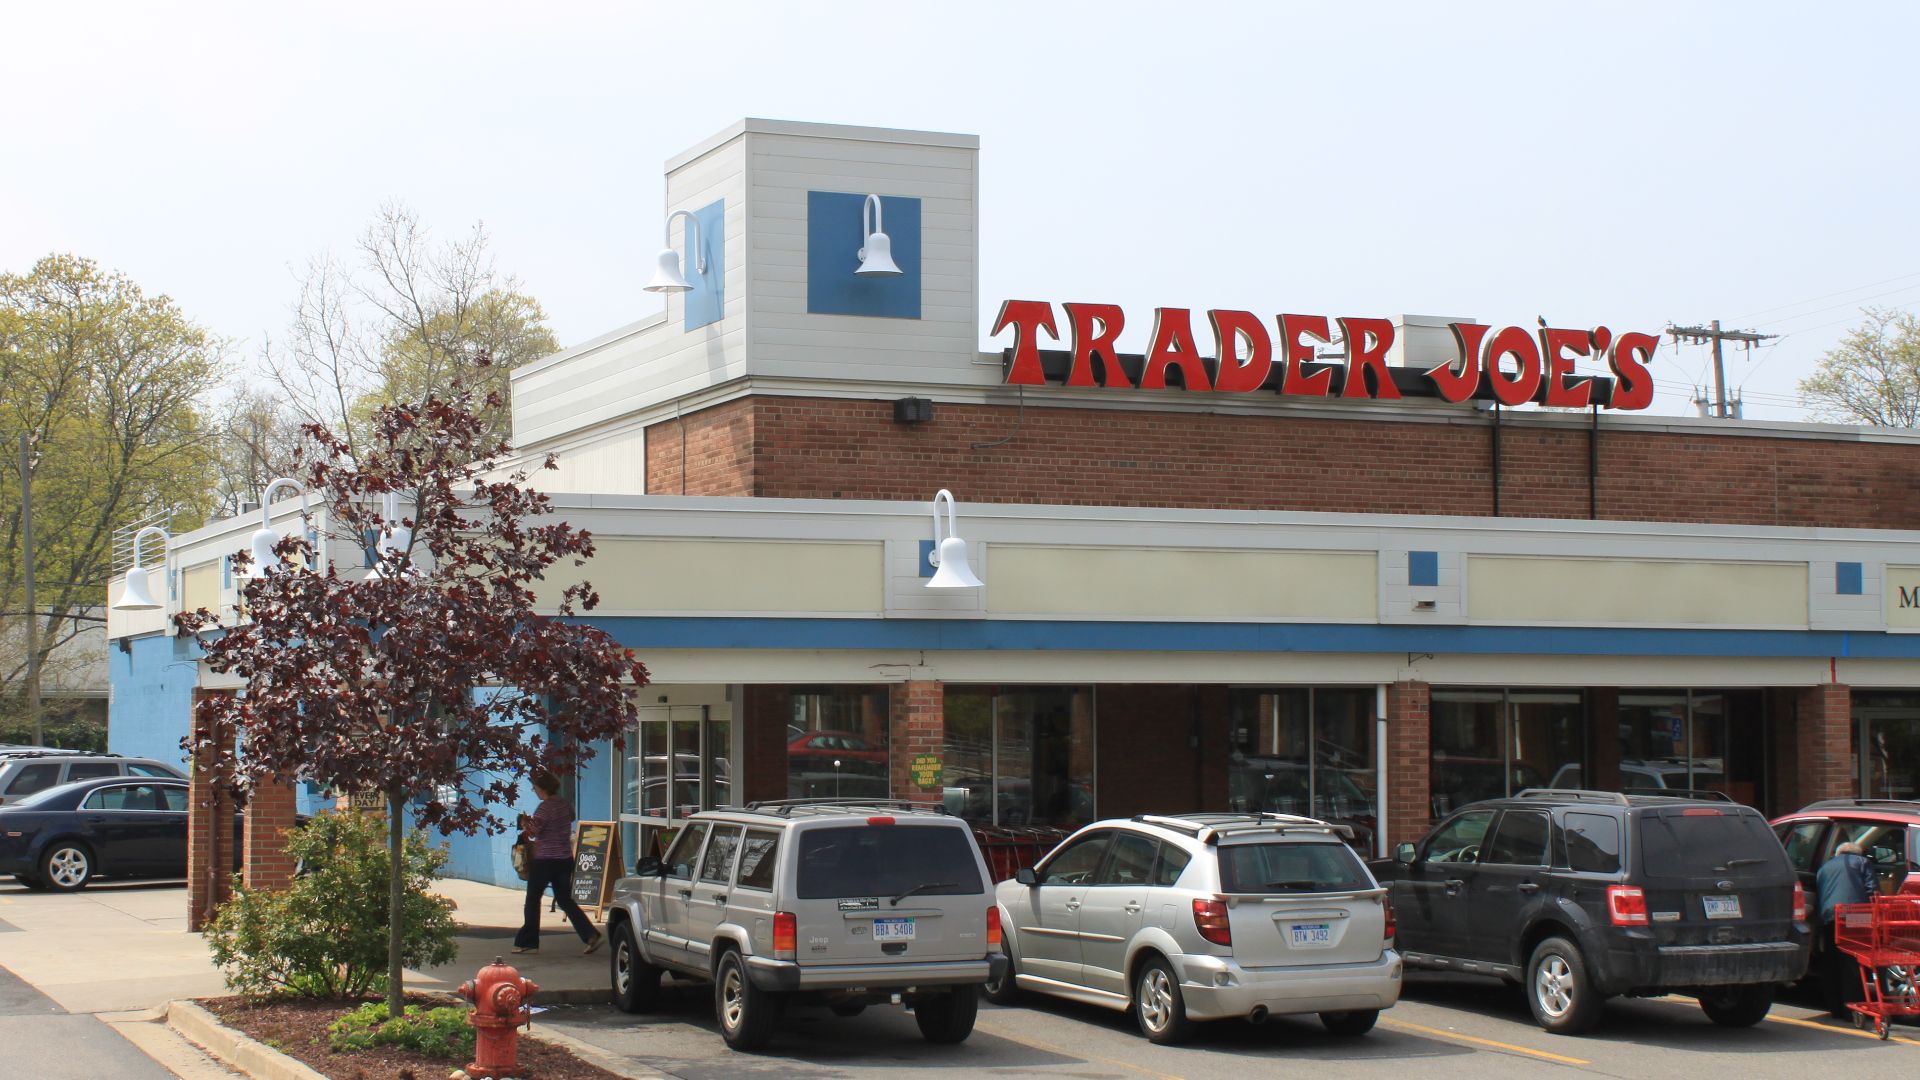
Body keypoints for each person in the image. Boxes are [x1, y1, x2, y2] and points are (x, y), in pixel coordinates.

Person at [513, 770, 603, 955]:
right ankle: (589, 934)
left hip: (545, 860)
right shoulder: (564, 805)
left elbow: (533, 832)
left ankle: (529, 941)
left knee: (532, 899)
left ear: (542, 789)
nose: (535, 791)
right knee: (564, 899)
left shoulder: (544, 807)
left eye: (535, 788)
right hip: (564, 859)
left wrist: (524, 823)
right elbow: (569, 817)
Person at [1816, 841, 1875, 1018]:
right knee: (1854, 962)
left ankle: (1835, 1007)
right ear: (1858, 853)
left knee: (1832, 961)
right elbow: (1872, 890)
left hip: (1830, 916)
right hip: (1857, 915)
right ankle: (1853, 1009)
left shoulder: (1824, 867)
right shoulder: (1862, 862)